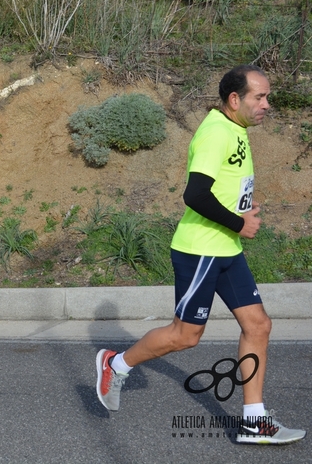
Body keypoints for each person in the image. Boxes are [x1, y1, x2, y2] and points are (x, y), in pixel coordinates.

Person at [95, 65, 306, 445]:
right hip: (200, 250)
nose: (267, 105)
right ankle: (116, 364)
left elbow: (219, 188)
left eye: (267, 97)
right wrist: (238, 222)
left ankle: (253, 422)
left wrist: (238, 210)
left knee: (258, 325)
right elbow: (194, 195)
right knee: (185, 336)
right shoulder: (214, 133)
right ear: (234, 99)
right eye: (260, 97)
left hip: (226, 247)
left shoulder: (235, 129)